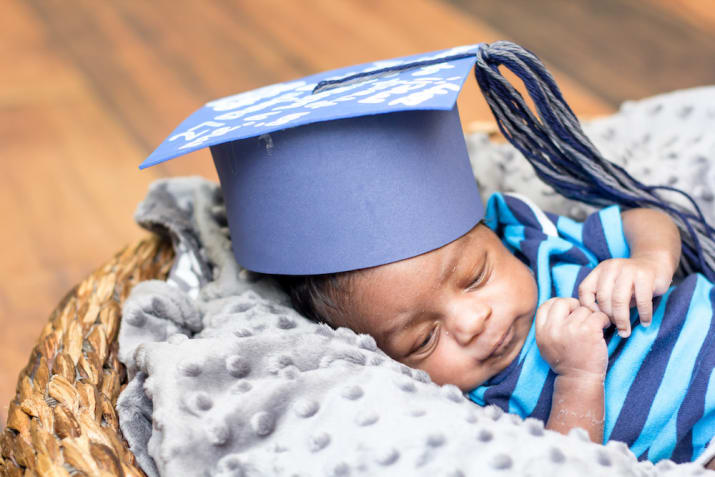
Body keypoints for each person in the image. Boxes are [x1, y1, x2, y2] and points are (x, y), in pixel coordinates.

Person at [142, 41, 715, 465]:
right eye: (422, 340)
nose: (473, 321)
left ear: (493, 230)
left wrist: (647, 262)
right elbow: (569, 459)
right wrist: (579, 377)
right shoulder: (487, 403)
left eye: (473, 276)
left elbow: (650, 218)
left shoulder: (536, 245)